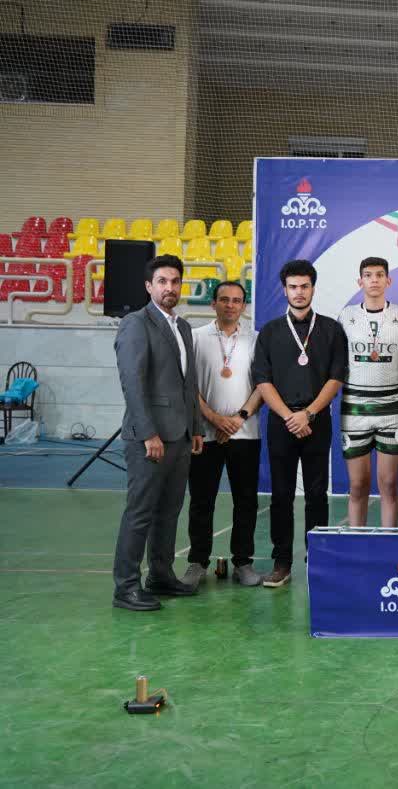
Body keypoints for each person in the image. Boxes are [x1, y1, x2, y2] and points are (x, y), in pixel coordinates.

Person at [111, 255, 202, 611]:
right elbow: (132, 383)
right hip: (149, 438)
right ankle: (126, 587)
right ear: (149, 286)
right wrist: (148, 433)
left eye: (175, 281)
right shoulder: (135, 324)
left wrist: (195, 428)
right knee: (141, 512)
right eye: (162, 281)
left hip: (180, 436)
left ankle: (161, 575)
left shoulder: (183, 328)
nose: (169, 287)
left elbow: (188, 384)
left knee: (169, 511)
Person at [251, 259, 347, 589]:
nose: (299, 292)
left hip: (317, 421)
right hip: (281, 422)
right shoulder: (270, 332)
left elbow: (336, 377)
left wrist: (308, 414)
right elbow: (263, 381)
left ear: (313, 288)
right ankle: (282, 562)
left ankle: (317, 557)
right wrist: (290, 417)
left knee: (317, 494)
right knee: (280, 495)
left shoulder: (331, 329)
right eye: (293, 287)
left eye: (305, 286)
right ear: (284, 290)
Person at [184, 280, 264, 588]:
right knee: (201, 501)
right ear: (213, 303)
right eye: (224, 299)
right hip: (204, 434)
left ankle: (243, 562)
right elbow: (188, 385)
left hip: (245, 433)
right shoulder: (195, 337)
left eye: (236, 300)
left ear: (244, 306)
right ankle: (197, 563)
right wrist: (214, 419)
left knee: (246, 501)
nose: (230, 305)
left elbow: (263, 386)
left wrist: (236, 420)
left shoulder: (255, 339)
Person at [338, 257, 398, 528]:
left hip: (391, 410)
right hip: (354, 410)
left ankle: (387, 544)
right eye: (368, 275)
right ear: (360, 281)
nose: (374, 280)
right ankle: (358, 543)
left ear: (388, 281)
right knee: (358, 485)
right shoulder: (346, 316)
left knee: (389, 484)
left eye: (380, 275)